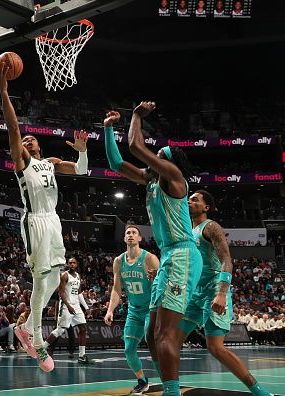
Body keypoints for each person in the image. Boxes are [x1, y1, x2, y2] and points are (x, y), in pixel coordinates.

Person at [0, 60, 89, 372]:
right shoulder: (22, 162)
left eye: (31, 139)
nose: (27, 139)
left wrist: (83, 150)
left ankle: (26, 328)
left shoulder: (50, 161)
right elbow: (13, 127)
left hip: (54, 220)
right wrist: (4, 89)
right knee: (39, 278)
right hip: (34, 220)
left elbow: (82, 170)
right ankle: (36, 338)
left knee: (55, 277)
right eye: (24, 139)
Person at [103, 104, 202, 396]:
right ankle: (171, 387)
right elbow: (116, 163)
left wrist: (135, 115)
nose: (155, 158)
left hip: (182, 253)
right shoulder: (150, 181)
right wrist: (108, 128)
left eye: (159, 156)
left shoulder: (174, 177)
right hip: (171, 254)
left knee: (164, 334)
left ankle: (172, 392)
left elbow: (135, 145)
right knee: (151, 334)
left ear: (169, 162)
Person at [175, 191, 273, 396]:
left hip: (213, 289)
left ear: (206, 207)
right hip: (194, 292)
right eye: (189, 199)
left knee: (215, 348)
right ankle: (171, 389)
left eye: (195, 200)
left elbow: (227, 260)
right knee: (170, 342)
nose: (189, 202)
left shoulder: (211, 227)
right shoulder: (186, 229)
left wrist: (221, 293)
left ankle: (260, 392)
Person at [104, 225, 160, 395]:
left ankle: (169, 382)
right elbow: (116, 289)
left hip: (151, 308)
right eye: (127, 232)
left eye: (134, 232)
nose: (130, 235)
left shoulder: (149, 258)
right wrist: (110, 310)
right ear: (124, 238)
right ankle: (142, 381)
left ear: (140, 238)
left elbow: (161, 284)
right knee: (128, 349)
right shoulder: (119, 261)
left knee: (154, 346)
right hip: (134, 310)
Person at [44, 257, 94, 364]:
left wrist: (86, 307)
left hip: (76, 306)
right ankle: (42, 348)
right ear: (68, 264)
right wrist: (68, 306)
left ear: (77, 264)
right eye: (70, 263)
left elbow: (79, 292)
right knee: (60, 330)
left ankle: (81, 356)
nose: (71, 264)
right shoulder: (64, 275)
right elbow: (61, 293)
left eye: (73, 263)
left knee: (83, 327)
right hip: (66, 306)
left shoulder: (78, 276)